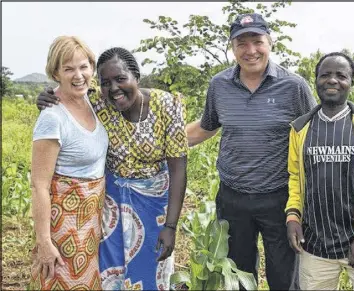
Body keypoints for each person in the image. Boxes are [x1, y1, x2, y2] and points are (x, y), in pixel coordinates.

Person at [36, 47, 188, 290]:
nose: (114, 88)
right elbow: (68, 97)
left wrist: (170, 226)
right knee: (110, 273)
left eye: (120, 79)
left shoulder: (166, 105)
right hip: (110, 206)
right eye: (106, 82)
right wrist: (45, 96)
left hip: (154, 206)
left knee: (151, 271)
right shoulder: (98, 101)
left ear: (136, 76)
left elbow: (179, 168)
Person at [186, 13, 317, 290]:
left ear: (270, 42)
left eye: (257, 41)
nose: (250, 51)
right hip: (232, 198)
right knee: (239, 276)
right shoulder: (219, 85)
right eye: (241, 44)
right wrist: (159, 142)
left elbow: (315, 136)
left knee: (285, 277)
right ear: (232, 48)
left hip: (279, 198)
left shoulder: (294, 87)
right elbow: (207, 127)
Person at [285, 52, 354, 290]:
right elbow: (295, 178)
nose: (332, 80)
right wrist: (293, 216)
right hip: (315, 246)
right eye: (325, 75)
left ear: (351, 83)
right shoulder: (300, 129)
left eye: (341, 75)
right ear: (316, 81)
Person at [29, 36, 108, 290]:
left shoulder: (91, 101)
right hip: (63, 225)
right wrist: (44, 242)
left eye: (83, 67)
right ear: (55, 72)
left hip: (91, 222)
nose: (78, 75)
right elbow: (39, 185)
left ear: (92, 68)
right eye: (68, 68)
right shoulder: (53, 117)